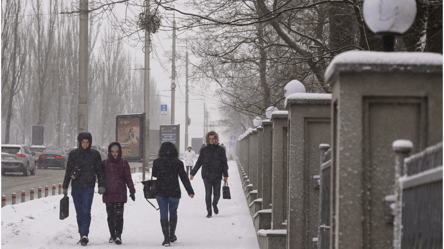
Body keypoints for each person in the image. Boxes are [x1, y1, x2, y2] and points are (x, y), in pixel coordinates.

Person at [62, 132, 107, 246]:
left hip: (88, 187)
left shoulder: (95, 154)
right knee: (79, 212)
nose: (85, 144)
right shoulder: (73, 154)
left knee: (86, 211)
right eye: (83, 142)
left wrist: (101, 185)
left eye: (87, 142)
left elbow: (100, 171)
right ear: (80, 142)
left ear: (90, 143)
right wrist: (65, 186)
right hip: (76, 187)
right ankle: (81, 234)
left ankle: (84, 235)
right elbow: (68, 171)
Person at [152, 142, 195, 247]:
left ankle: (166, 239)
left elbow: (154, 174)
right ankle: (172, 235)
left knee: (163, 213)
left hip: (161, 191)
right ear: (174, 151)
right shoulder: (178, 163)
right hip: (174, 191)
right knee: (173, 212)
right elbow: (184, 177)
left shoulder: (157, 162)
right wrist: (190, 191)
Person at [102, 142, 136, 245]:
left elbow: (128, 178)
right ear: (109, 152)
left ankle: (118, 235)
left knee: (119, 215)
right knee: (110, 215)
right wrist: (101, 187)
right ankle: (112, 234)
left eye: (116, 152)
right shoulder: (104, 163)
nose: (114, 154)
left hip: (120, 193)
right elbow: (101, 177)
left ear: (119, 152)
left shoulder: (124, 163)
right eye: (112, 152)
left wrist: (132, 190)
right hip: (108, 193)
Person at [190, 131, 229, 218]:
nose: (211, 140)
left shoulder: (221, 150)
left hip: (217, 175)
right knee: (208, 193)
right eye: (209, 139)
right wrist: (193, 173)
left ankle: (214, 204)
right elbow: (199, 162)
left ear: (216, 139)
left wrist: (225, 175)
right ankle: (209, 211)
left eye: (213, 138)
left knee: (217, 194)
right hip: (206, 175)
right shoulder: (204, 150)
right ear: (207, 139)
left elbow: (224, 163)